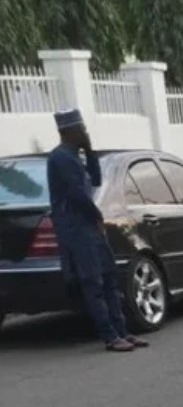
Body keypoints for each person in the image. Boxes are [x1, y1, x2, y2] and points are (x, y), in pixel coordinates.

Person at [48, 109, 148, 352]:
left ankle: (122, 330)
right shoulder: (60, 158)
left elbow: (95, 180)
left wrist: (90, 151)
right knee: (93, 282)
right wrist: (97, 216)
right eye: (81, 129)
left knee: (109, 278)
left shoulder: (75, 156)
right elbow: (77, 194)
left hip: (90, 227)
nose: (85, 132)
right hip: (77, 229)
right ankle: (110, 336)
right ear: (69, 131)